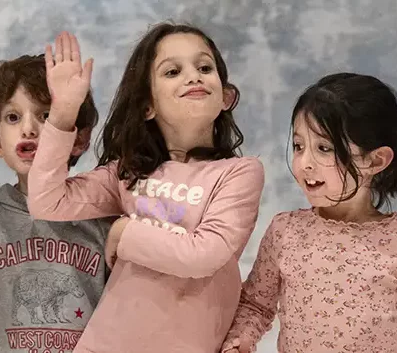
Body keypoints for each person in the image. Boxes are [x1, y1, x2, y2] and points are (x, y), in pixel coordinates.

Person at [26, 28, 264, 352]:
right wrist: (64, 113)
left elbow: (204, 254)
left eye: (205, 67)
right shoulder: (127, 173)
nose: (193, 76)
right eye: (173, 71)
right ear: (147, 106)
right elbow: (46, 202)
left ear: (226, 97)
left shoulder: (239, 173)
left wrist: (125, 232)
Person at [222, 73, 397, 352]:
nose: (304, 163)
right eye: (299, 146)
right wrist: (240, 340)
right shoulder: (285, 231)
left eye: (324, 148)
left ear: (376, 160)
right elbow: (256, 304)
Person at [0, 53, 110, 353]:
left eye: (46, 116)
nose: (28, 129)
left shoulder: (101, 217)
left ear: (79, 138)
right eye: (13, 117)